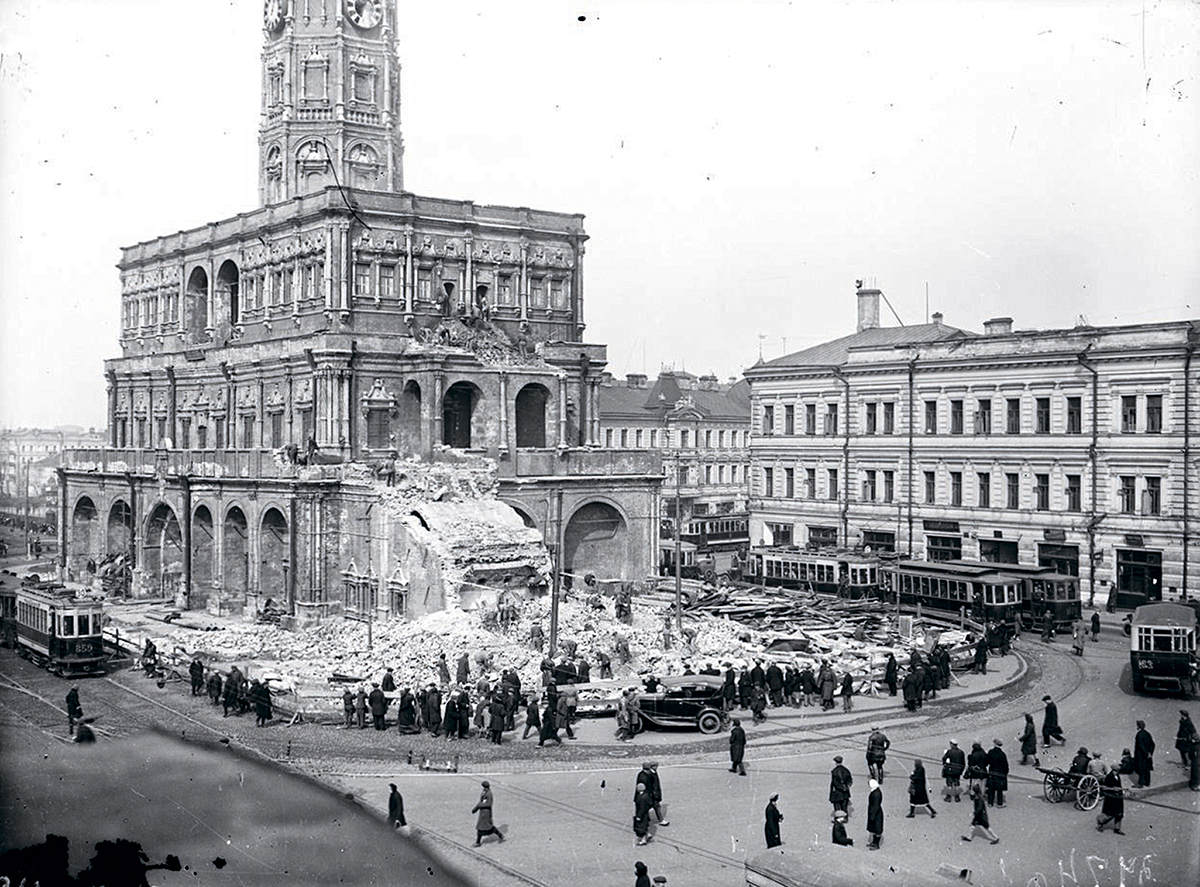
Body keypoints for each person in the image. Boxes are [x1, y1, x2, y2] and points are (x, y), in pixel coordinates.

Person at [471, 781, 504, 846]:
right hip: (483, 813)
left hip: (486, 813)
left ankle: (478, 842)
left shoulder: (489, 794)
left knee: (483, 827)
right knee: (485, 827)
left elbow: (489, 804)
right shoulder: (485, 792)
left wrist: (479, 805)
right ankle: (499, 835)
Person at [1095, 765, 1125, 834]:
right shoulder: (1109, 777)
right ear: (1113, 770)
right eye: (1115, 771)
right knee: (1111, 814)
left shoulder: (1117, 776)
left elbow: (1119, 786)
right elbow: (1106, 788)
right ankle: (1101, 821)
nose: (1116, 772)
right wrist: (1113, 789)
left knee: (1119, 814)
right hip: (1111, 798)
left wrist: (1121, 791)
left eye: (1117, 771)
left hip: (1118, 797)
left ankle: (1117, 828)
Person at [986, 739, 1009, 807]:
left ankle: (990, 802)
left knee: (991, 788)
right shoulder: (1002, 754)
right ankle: (999, 803)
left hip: (992, 771)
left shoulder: (991, 752)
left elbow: (987, 762)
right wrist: (1005, 773)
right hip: (1000, 773)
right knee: (999, 789)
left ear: (995, 744)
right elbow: (1005, 765)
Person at [1133, 720, 1155, 787]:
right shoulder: (1147, 734)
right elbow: (1153, 744)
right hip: (1147, 755)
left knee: (1141, 769)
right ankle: (1147, 782)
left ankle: (1140, 783)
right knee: (1147, 769)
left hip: (1141, 755)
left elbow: (1140, 745)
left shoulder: (1139, 735)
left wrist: (1146, 753)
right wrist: (1150, 753)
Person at [866, 778, 884, 850]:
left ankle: (876, 844)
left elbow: (876, 805)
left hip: (876, 814)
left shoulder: (876, 794)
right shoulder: (876, 791)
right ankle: (874, 842)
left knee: (877, 829)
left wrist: (872, 816)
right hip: (874, 812)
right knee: (874, 829)